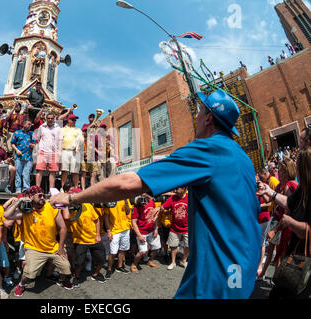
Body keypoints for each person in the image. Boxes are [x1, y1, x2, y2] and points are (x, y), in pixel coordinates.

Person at [50, 89, 262, 299]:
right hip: (245, 263)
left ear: (208, 118)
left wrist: (72, 198)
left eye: (199, 111)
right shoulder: (243, 158)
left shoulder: (208, 150)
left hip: (219, 271)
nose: (195, 116)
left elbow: (128, 183)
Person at [257, 146, 311, 299]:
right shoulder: (302, 188)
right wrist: (270, 192)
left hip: (305, 254)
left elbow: (307, 231)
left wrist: (290, 222)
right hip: (295, 248)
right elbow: (289, 203)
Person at [3, 186, 73, 297]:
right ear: (31, 197)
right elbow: (6, 215)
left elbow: (63, 228)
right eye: (39, 195)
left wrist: (60, 248)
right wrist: (20, 200)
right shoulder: (27, 211)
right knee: (29, 273)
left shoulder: (51, 208)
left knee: (66, 268)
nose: (42, 198)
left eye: (43, 195)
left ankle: (61, 280)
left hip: (52, 247)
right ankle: (21, 284)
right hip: (34, 248)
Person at [66, 188, 106, 286]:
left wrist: (97, 235)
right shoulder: (69, 208)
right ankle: (77, 277)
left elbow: (97, 220)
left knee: (101, 259)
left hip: (93, 238)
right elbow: (66, 218)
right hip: (80, 241)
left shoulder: (88, 206)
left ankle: (96, 274)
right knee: (79, 263)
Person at [130, 193, 161, 273]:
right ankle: (134, 264)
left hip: (151, 230)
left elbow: (155, 216)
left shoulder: (151, 202)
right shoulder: (137, 206)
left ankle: (150, 261)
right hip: (142, 232)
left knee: (156, 247)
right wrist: (139, 235)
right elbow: (134, 222)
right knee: (143, 251)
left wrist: (156, 228)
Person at [160, 187, 189, 270]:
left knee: (188, 245)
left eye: (177, 188)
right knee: (173, 246)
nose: (175, 190)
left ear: (184, 189)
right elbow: (163, 207)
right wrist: (161, 210)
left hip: (187, 228)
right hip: (174, 228)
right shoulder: (172, 198)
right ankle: (173, 262)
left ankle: (184, 260)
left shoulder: (189, 198)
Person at [103, 199, 132, 278]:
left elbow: (128, 212)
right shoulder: (110, 198)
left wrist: (126, 202)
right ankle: (109, 269)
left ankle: (120, 266)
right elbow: (105, 216)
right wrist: (108, 230)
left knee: (123, 249)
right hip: (114, 230)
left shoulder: (125, 198)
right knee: (113, 252)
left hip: (125, 228)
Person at [34, 113, 62, 189]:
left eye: (51, 118)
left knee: (53, 172)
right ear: (46, 119)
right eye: (48, 118)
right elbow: (38, 138)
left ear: (54, 119)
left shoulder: (58, 128)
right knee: (40, 170)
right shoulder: (41, 127)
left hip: (54, 152)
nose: (50, 120)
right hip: (43, 151)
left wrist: (59, 152)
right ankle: (37, 188)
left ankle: (51, 189)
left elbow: (60, 140)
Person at [11, 119, 37, 194]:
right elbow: (12, 143)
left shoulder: (32, 133)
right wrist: (16, 150)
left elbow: (35, 144)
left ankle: (26, 188)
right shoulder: (17, 132)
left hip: (28, 156)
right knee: (18, 173)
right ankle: (18, 189)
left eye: (30, 124)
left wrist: (33, 145)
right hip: (19, 156)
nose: (30, 126)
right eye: (28, 124)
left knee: (27, 173)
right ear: (24, 124)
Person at [60, 114, 83, 189]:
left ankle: (76, 188)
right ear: (68, 120)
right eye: (73, 119)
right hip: (65, 150)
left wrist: (77, 147)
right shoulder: (62, 129)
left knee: (75, 172)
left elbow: (81, 140)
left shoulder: (78, 130)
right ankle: (63, 188)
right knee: (64, 171)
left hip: (75, 152)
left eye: (75, 120)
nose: (74, 121)